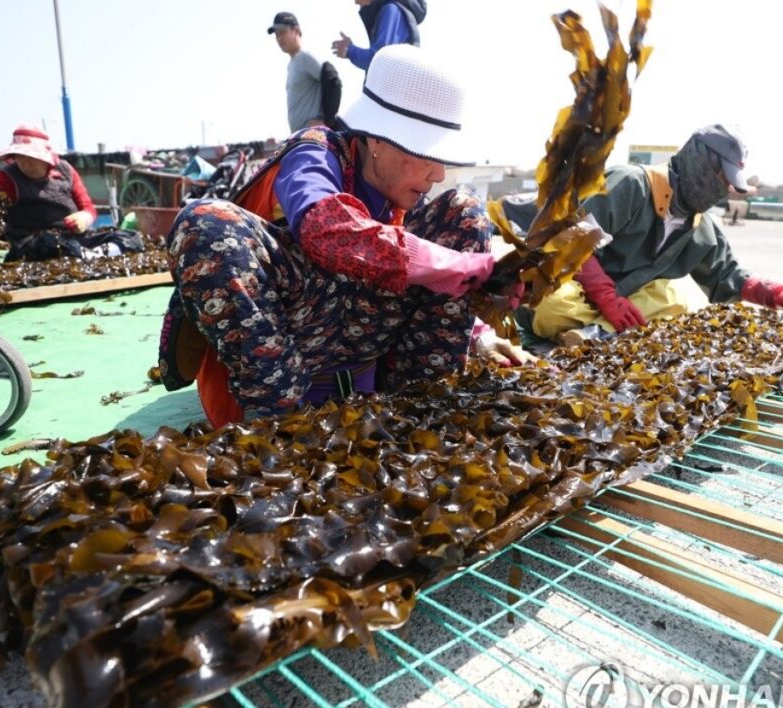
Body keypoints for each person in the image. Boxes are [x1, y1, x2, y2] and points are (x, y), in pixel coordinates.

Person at [158, 44, 531, 426]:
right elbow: (324, 228)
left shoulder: (404, 197)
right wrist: (452, 267)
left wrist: (478, 332)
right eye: (425, 155)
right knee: (203, 221)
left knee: (464, 211)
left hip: (379, 374)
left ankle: (423, 403)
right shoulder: (315, 153)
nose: (437, 174)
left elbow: (440, 263)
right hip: (287, 369)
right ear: (379, 140)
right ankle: (275, 422)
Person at [500, 124, 783, 344]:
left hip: (620, 300)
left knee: (673, 303)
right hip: (568, 283)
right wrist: (606, 298)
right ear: (700, 161)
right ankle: (595, 330)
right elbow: (574, 240)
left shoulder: (701, 226)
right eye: (722, 179)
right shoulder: (632, 183)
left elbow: (726, 275)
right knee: (553, 307)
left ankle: (589, 336)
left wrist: (770, 293)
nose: (722, 190)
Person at [0, 126, 137, 262]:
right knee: (50, 244)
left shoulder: (66, 171)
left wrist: (84, 218)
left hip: (74, 238)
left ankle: (92, 255)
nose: (25, 163)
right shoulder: (6, 178)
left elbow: (88, 207)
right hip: (31, 245)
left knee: (131, 238)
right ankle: (87, 255)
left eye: (31, 157)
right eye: (20, 157)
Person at [268, 12, 326, 133]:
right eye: (277, 34)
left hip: (313, 137)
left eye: (282, 32)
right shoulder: (292, 64)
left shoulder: (305, 57)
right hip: (300, 137)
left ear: (296, 30)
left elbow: (333, 83)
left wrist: (325, 120)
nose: (279, 38)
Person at [332, 0, 426, 72]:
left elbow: (379, 61)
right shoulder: (392, 11)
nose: (355, 2)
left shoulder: (391, 11)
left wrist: (349, 50)